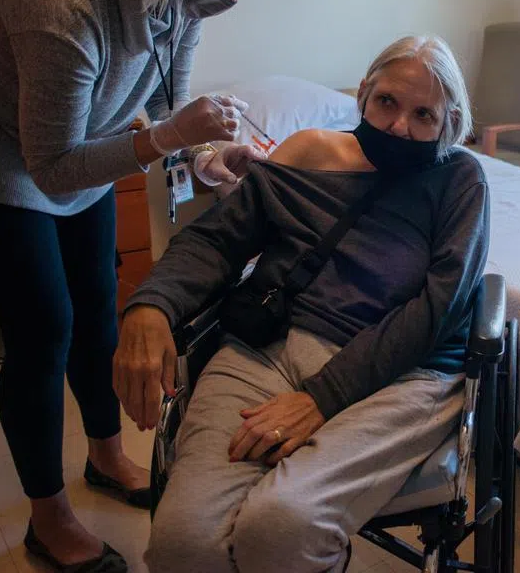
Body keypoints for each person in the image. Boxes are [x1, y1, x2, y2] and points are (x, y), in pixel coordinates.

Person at [0, 0, 272, 573]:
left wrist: (203, 156)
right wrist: (168, 138)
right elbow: (52, 167)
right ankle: (49, 521)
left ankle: (107, 458)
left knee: (99, 309)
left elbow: (169, 109)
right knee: (45, 326)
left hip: (81, 145)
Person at [114, 35, 489, 573]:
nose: (400, 127)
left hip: (399, 375)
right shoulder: (307, 153)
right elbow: (215, 240)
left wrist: (322, 398)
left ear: (448, 121)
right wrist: (151, 305)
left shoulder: (459, 180)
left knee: (282, 527)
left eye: (423, 114)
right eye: (387, 102)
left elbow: (442, 305)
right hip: (265, 350)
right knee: (181, 543)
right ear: (363, 93)